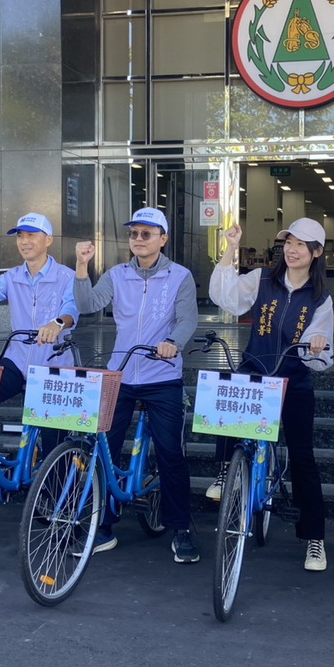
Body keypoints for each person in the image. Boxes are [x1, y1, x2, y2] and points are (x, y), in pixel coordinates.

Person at [73, 206, 200, 564]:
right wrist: (81, 266)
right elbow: (87, 303)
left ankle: (180, 528)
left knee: (170, 453)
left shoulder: (180, 276)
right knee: (105, 449)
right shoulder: (117, 274)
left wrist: (173, 342)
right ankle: (103, 525)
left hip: (163, 376)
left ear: (163, 239)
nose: (138, 239)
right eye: (133, 234)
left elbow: (187, 319)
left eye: (147, 233)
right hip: (121, 374)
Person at [208, 218, 333, 572]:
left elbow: (321, 354)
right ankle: (225, 471)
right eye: (288, 242)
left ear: (316, 253)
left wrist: (318, 343)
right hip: (257, 372)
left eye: (301, 244)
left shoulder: (320, 298)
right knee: (228, 392)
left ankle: (314, 538)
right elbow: (225, 296)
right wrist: (231, 248)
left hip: (294, 380)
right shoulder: (262, 279)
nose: (292, 250)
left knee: (303, 458)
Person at [0, 212, 80, 405]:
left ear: (48, 240)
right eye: (20, 236)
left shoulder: (68, 277)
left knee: (48, 423)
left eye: (31, 235)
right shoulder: (12, 277)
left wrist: (57, 323)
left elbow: (71, 311)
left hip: (53, 362)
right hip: (16, 362)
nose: (24, 241)